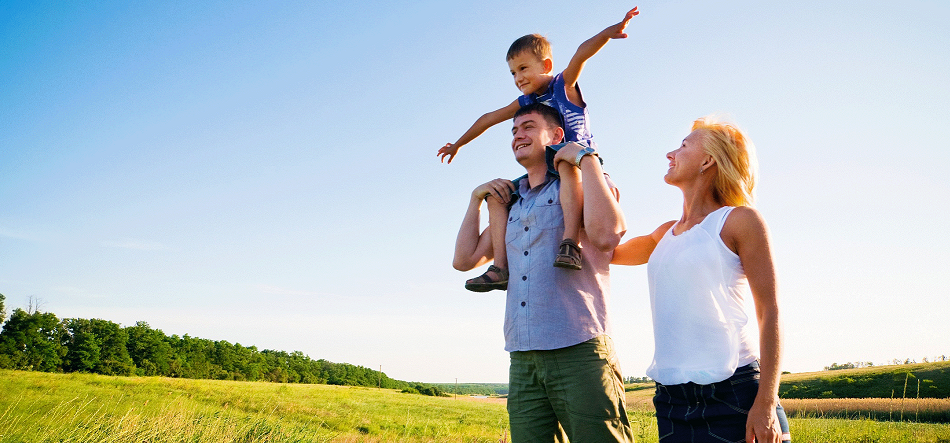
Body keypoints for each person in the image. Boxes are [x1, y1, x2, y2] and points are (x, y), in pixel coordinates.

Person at [452, 103, 634, 442]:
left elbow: (608, 234)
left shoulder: (582, 183)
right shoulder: (511, 203)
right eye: (514, 130)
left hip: (578, 348)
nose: (518, 134)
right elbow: (463, 261)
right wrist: (475, 198)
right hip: (522, 355)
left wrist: (586, 159)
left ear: (556, 136)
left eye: (529, 126)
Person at [610, 116, 791, 442]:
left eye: (683, 145)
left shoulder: (740, 221)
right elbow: (602, 252)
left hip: (734, 392)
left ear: (708, 160)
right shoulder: (663, 234)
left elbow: (770, 312)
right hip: (671, 399)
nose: (670, 153)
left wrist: (765, 402)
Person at [440, 7, 639, 292]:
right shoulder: (526, 102)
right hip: (545, 170)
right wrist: (459, 143)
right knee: (499, 195)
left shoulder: (562, 85)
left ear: (545, 66)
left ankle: (569, 242)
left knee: (564, 163)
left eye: (523, 68)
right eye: (512, 72)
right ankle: (501, 268)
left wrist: (609, 32)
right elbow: (489, 118)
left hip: (576, 160)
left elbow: (581, 53)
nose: (518, 77)